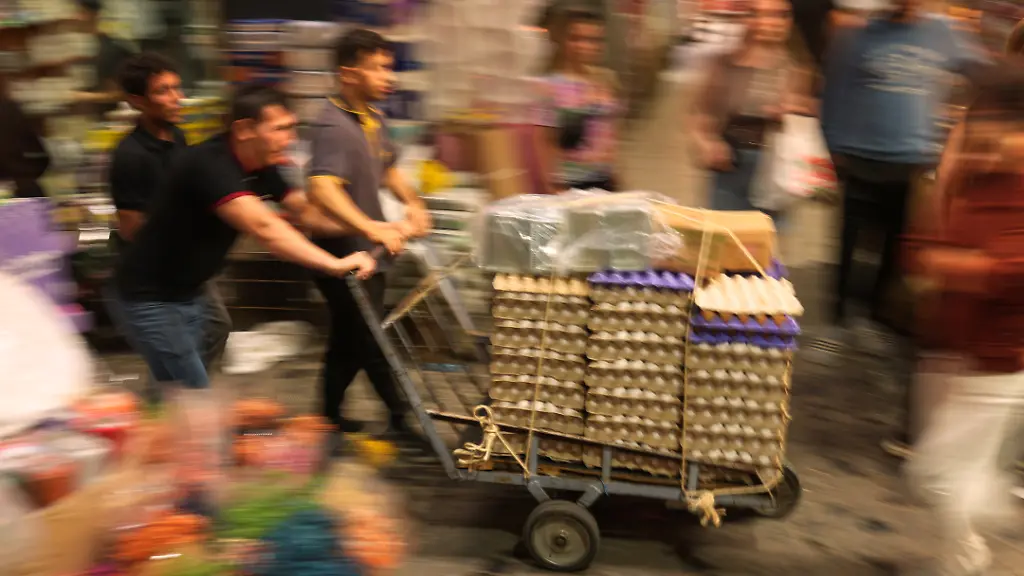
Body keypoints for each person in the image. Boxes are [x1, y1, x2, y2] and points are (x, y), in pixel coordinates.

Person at [107, 83, 373, 391]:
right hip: (148, 296)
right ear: (245, 129)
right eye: (281, 129)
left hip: (190, 290)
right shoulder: (210, 164)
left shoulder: (262, 165)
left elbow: (306, 213)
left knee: (186, 372)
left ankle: (161, 419)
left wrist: (370, 227)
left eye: (291, 128)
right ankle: (172, 419)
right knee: (187, 389)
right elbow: (266, 229)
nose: (290, 139)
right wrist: (334, 264)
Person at [812, 0, 988, 356]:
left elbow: (984, 73)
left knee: (893, 249)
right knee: (849, 245)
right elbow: (833, 92)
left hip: (910, 162)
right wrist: (833, 147)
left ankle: (875, 321)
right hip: (860, 159)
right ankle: (839, 323)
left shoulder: (943, 33)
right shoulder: (859, 34)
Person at [903, 64, 1024, 576]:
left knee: (933, 475)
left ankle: (971, 550)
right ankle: (964, 550)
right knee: (947, 471)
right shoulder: (979, 174)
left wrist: (957, 265)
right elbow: (925, 244)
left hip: (997, 360)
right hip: (950, 347)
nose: (982, 133)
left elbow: (1009, 269)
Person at [306, 28, 431, 445]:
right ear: (348, 73)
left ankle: (326, 418)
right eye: (377, 68)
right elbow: (322, 186)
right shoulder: (333, 125)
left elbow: (388, 168)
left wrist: (413, 203)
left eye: (389, 67)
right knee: (370, 338)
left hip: (371, 249)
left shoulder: (372, 118)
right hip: (342, 253)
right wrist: (371, 226)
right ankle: (403, 417)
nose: (388, 77)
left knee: (352, 338)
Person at [104, 53, 230, 396]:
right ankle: (187, 399)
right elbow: (132, 228)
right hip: (155, 278)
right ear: (137, 101)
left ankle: (176, 399)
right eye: (163, 91)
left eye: (177, 88)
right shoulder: (130, 156)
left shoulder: (178, 139)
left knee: (215, 328)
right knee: (186, 350)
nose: (177, 98)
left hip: (185, 266)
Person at [690, 0, 802, 218]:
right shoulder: (724, 65)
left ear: (788, 21)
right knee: (725, 239)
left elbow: (812, 122)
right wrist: (706, 143)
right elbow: (699, 113)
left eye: (778, 15)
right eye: (757, 14)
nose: (767, 22)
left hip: (776, 170)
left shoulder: (797, 70)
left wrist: (795, 112)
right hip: (731, 166)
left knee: (767, 245)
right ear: (746, 19)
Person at [532, 7, 622, 193]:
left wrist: (618, 178)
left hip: (604, 181)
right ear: (563, 40)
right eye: (576, 38)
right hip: (568, 184)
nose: (585, 46)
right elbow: (543, 143)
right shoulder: (548, 87)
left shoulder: (607, 82)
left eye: (594, 40)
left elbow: (610, 137)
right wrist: (551, 186)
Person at [71, 0, 135, 108]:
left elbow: (124, 93)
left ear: (95, 14)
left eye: (79, 12)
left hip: (104, 119)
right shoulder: (63, 50)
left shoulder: (113, 49)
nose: (71, 18)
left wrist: (81, 97)